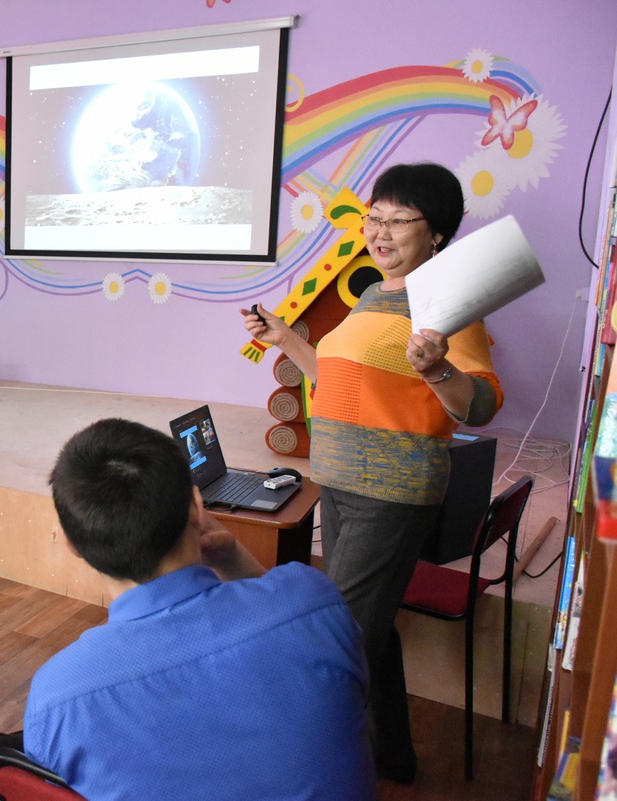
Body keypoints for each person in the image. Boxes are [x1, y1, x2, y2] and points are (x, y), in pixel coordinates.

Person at [241, 161, 504, 783]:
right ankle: (391, 758)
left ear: (436, 234)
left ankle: (301, 777)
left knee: (337, 641)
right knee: (370, 632)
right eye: (373, 218)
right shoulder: (373, 295)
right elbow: (336, 379)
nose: (380, 233)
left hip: (390, 492)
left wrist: (439, 369)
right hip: (341, 483)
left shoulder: (447, 302)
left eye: (398, 221)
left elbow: (485, 403)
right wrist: (286, 339)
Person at [23, 418, 375, 801]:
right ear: (196, 505)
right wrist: (233, 555)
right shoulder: (313, 602)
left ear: (71, 542)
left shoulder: (59, 695)